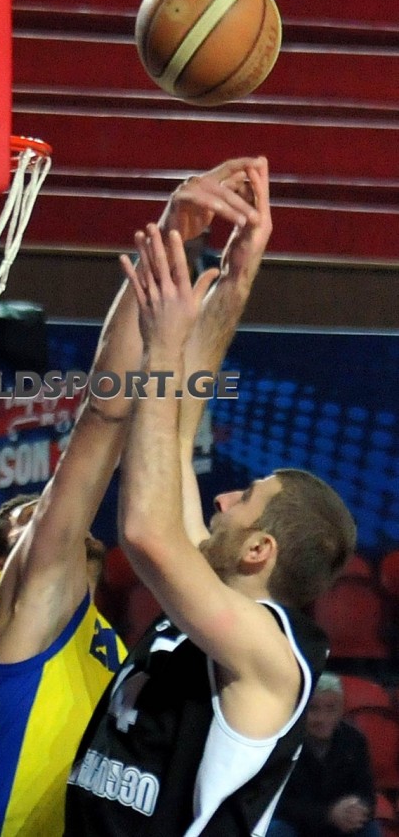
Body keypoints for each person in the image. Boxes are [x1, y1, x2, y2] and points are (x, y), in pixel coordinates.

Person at [0, 156, 279, 837]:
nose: (51, 515)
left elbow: (176, 426)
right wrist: (170, 236)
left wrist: (235, 279)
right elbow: (103, 418)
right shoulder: (22, 613)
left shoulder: (103, 643)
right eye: (28, 519)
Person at [65, 159, 357, 835]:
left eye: (245, 497)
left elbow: (146, 529)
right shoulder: (215, 593)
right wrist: (235, 279)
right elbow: (174, 435)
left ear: (260, 550)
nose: (221, 497)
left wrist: (163, 348)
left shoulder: (269, 656)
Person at [267, 673, 380, 837]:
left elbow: (367, 795)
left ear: (342, 709)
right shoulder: (284, 742)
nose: (322, 718)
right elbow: (276, 804)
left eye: (331, 708)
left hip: (342, 825)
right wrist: (328, 814)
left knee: (369, 828)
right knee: (276, 829)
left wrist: (357, 809)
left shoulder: (355, 740)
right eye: (313, 709)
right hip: (298, 825)